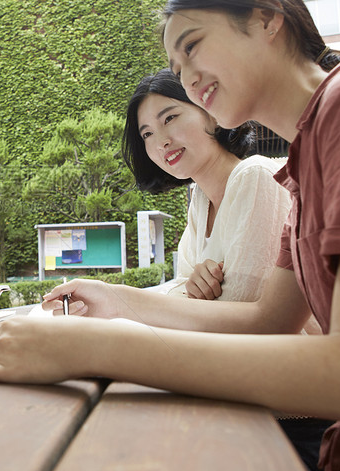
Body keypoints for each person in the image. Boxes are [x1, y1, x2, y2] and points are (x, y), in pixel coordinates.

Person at [0, 0, 340, 471]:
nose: (187, 77)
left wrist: (100, 347)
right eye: (176, 65)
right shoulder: (304, 168)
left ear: (267, 17)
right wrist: (115, 299)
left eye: (192, 45)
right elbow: (268, 321)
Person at [124, 69, 290, 301]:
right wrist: (192, 288)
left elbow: (241, 304)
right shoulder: (201, 202)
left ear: (211, 114)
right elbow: (181, 288)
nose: (161, 141)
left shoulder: (256, 176)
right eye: (147, 134)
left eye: (170, 118)